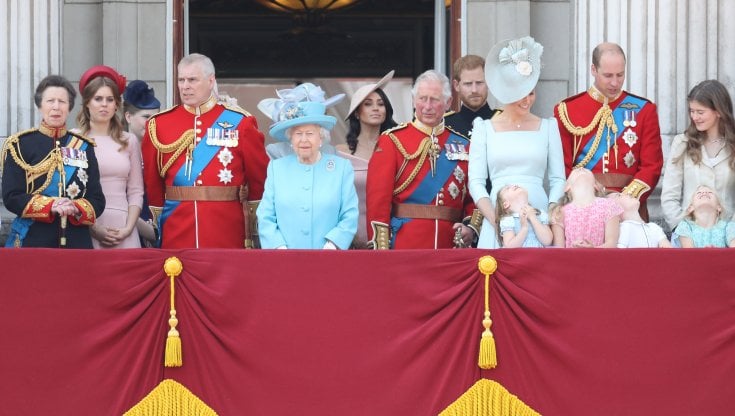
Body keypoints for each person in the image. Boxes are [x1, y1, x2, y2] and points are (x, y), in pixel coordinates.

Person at [141, 53, 269, 248]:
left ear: (211, 81)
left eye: (192, 80)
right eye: (181, 80)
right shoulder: (159, 124)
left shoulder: (241, 122)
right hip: (176, 226)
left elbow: (258, 179)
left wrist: (251, 226)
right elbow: (153, 181)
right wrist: (159, 222)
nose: (185, 86)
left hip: (226, 227)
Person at [468, 36, 565, 248]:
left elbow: (558, 178)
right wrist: (496, 220)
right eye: (520, 93)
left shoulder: (549, 127)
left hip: (539, 214)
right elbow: (475, 182)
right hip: (497, 214)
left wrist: (550, 211)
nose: (527, 100)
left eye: (531, 92)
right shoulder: (483, 128)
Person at [365, 70, 476, 249]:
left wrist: (470, 228)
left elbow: (474, 198)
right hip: (404, 245)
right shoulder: (392, 140)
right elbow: (378, 200)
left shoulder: (464, 144)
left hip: (450, 246)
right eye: (422, 98)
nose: (427, 106)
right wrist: (381, 249)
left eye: (435, 99)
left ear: (448, 102)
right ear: (413, 100)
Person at [554, 42, 663, 221]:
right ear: (593, 70)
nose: (615, 82)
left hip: (629, 208)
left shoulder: (644, 110)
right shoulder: (567, 110)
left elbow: (652, 166)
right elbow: (563, 168)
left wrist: (624, 201)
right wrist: (587, 197)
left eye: (620, 75)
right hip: (584, 208)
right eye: (608, 75)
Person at [1, 75, 105, 248]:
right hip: (33, 240)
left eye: (62, 102)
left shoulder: (84, 147)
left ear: (69, 107)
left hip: (76, 241)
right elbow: (12, 196)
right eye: (50, 101)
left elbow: (97, 199)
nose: (56, 107)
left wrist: (75, 206)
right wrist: (51, 205)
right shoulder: (20, 145)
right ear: (40, 105)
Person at [256, 83, 358, 249]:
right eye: (298, 134)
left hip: (328, 258)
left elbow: (349, 214)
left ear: (321, 138)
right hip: (285, 259)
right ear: (290, 139)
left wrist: (333, 245)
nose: (304, 140)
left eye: (310, 134)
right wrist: (279, 247)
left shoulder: (341, 168)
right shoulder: (277, 168)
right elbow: (265, 215)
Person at [75, 65, 144, 249]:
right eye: (98, 99)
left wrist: (128, 228)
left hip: (124, 227)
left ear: (116, 105)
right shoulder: (74, 140)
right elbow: (69, 192)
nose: (104, 104)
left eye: (109, 99)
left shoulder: (128, 140)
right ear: (87, 103)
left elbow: (136, 191)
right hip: (86, 227)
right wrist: (93, 228)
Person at [661, 80, 735, 230]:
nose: (694, 117)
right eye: (691, 111)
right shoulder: (682, 143)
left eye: (700, 112)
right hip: (688, 237)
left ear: (719, 111)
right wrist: (682, 230)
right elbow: (669, 195)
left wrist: (731, 232)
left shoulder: (732, 145)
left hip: (730, 237)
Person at [336, 70, 398, 248]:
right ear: (357, 112)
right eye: (368, 104)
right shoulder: (340, 153)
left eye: (380, 104)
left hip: (388, 239)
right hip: (348, 239)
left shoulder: (397, 149)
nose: (376, 108)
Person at [122, 79, 162, 246]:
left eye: (156, 117)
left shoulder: (162, 152)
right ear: (128, 116)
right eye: (146, 117)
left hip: (157, 237)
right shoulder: (115, 153)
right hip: (121, 230)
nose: (152, 123)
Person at [551, 167, 622, 248]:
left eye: (587, 170)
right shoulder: (559, 213)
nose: (581, 168)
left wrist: (593, 250)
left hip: (600, 259)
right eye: (575, 171)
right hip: (571, 259)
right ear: (567, 187)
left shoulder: (609, 205)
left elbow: (611, 244)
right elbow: (558, 251)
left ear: (596, 186)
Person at [445, 54, 497, 138]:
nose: (474, 90)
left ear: (488, 82)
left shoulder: (503, 121)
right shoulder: (445, 126)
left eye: (479, 83)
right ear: (456, 85)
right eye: (468, 84)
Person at [670, 185, 735, 248]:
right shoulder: (685, 226)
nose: (704, 193)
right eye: (699, 193)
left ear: (719, 207)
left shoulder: (728, 226)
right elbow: (689, 253)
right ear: (690, 208)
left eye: (710, 192)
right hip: (694, 259)